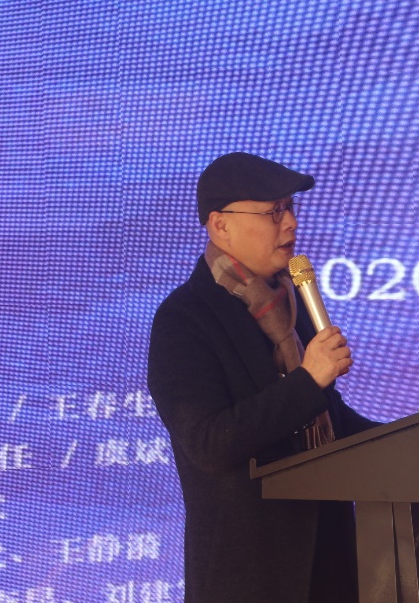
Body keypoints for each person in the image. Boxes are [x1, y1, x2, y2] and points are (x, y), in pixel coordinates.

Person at [148, 152, 378, 603]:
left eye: (290, 208)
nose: (291, 223)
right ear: (220, 226)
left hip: (331, 568)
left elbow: (326, 421)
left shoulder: (292, 307)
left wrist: (417, 440)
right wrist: (308, 381)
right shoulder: (184, 319)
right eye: (274, 211)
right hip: (249, 578)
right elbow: (210, 443)